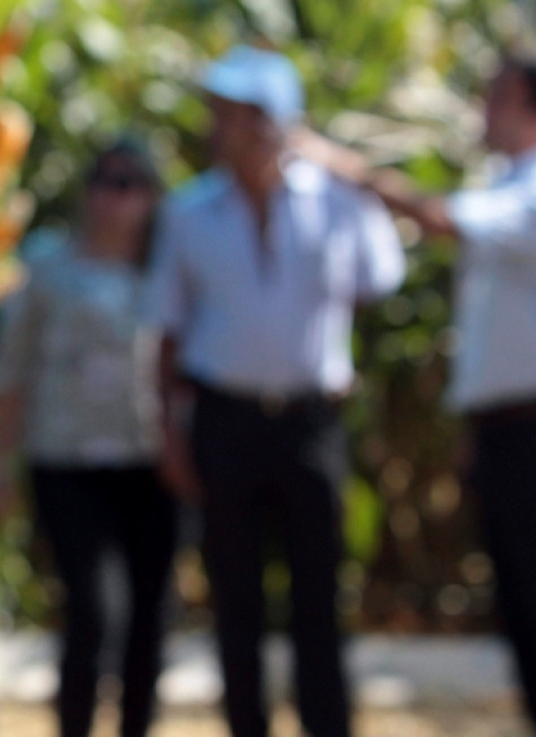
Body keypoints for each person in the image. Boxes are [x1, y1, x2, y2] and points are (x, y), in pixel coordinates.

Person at [299, 36, 536, 737]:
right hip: (507, 428)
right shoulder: (508, 184)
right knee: (523, 597)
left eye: (499, 94)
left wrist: (347, 168)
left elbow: (440, 219)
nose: (483, 107)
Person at [142, 46, 406, 737]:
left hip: (311, 424)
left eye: (232, 114)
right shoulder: (190, 212)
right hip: (225, 424)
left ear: (273, 124)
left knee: (319, 598)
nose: (218, 127)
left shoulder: (338, 200)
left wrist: (349, 173)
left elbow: (383, 277)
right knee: (237, 601)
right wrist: (168, 433)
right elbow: (165, 335)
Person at [0, 138, 177, 737]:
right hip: (66, 461)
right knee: (93, 613)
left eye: (129, 185)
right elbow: (8, 369)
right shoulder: (46, 264)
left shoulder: (170, 270)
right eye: (103, 182)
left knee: (150, 618)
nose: (113, 198)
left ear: (150, 198)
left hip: (155, 463)